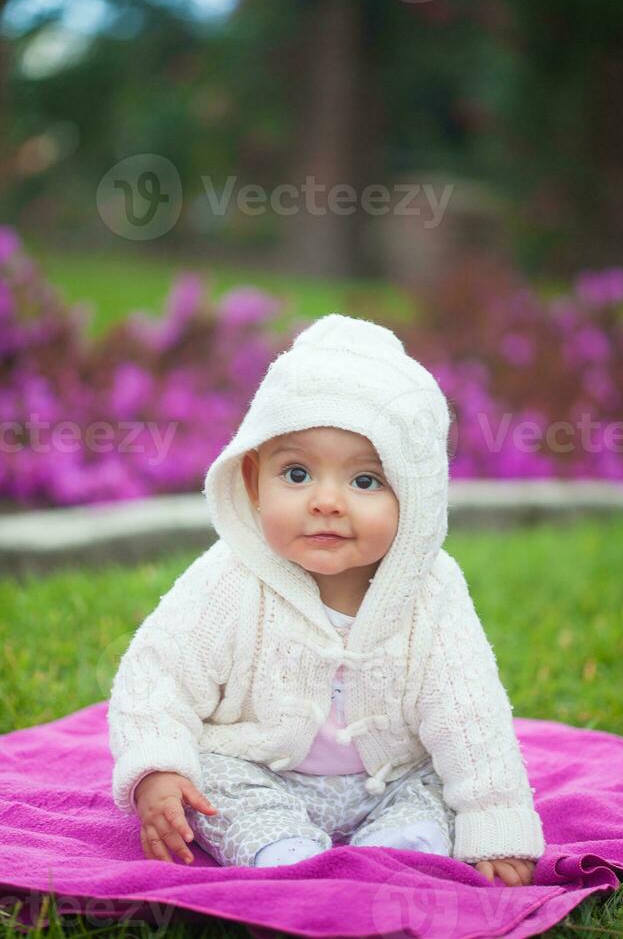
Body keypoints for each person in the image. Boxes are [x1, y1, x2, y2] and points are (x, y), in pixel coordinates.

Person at [107, 313, 545, 885]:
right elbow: (157, 673)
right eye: (296, 473)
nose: (327, 501)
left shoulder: (430, 589)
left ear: (416, 497)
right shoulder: (228, 579)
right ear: (251, 478)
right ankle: (281, 850)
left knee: (442, 782)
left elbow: (471, 715)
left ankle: (400, 849)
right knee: (207, 775)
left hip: (393, 779)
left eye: (365, 481)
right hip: (259, 773)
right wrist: (157, 768)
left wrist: (495, 820)